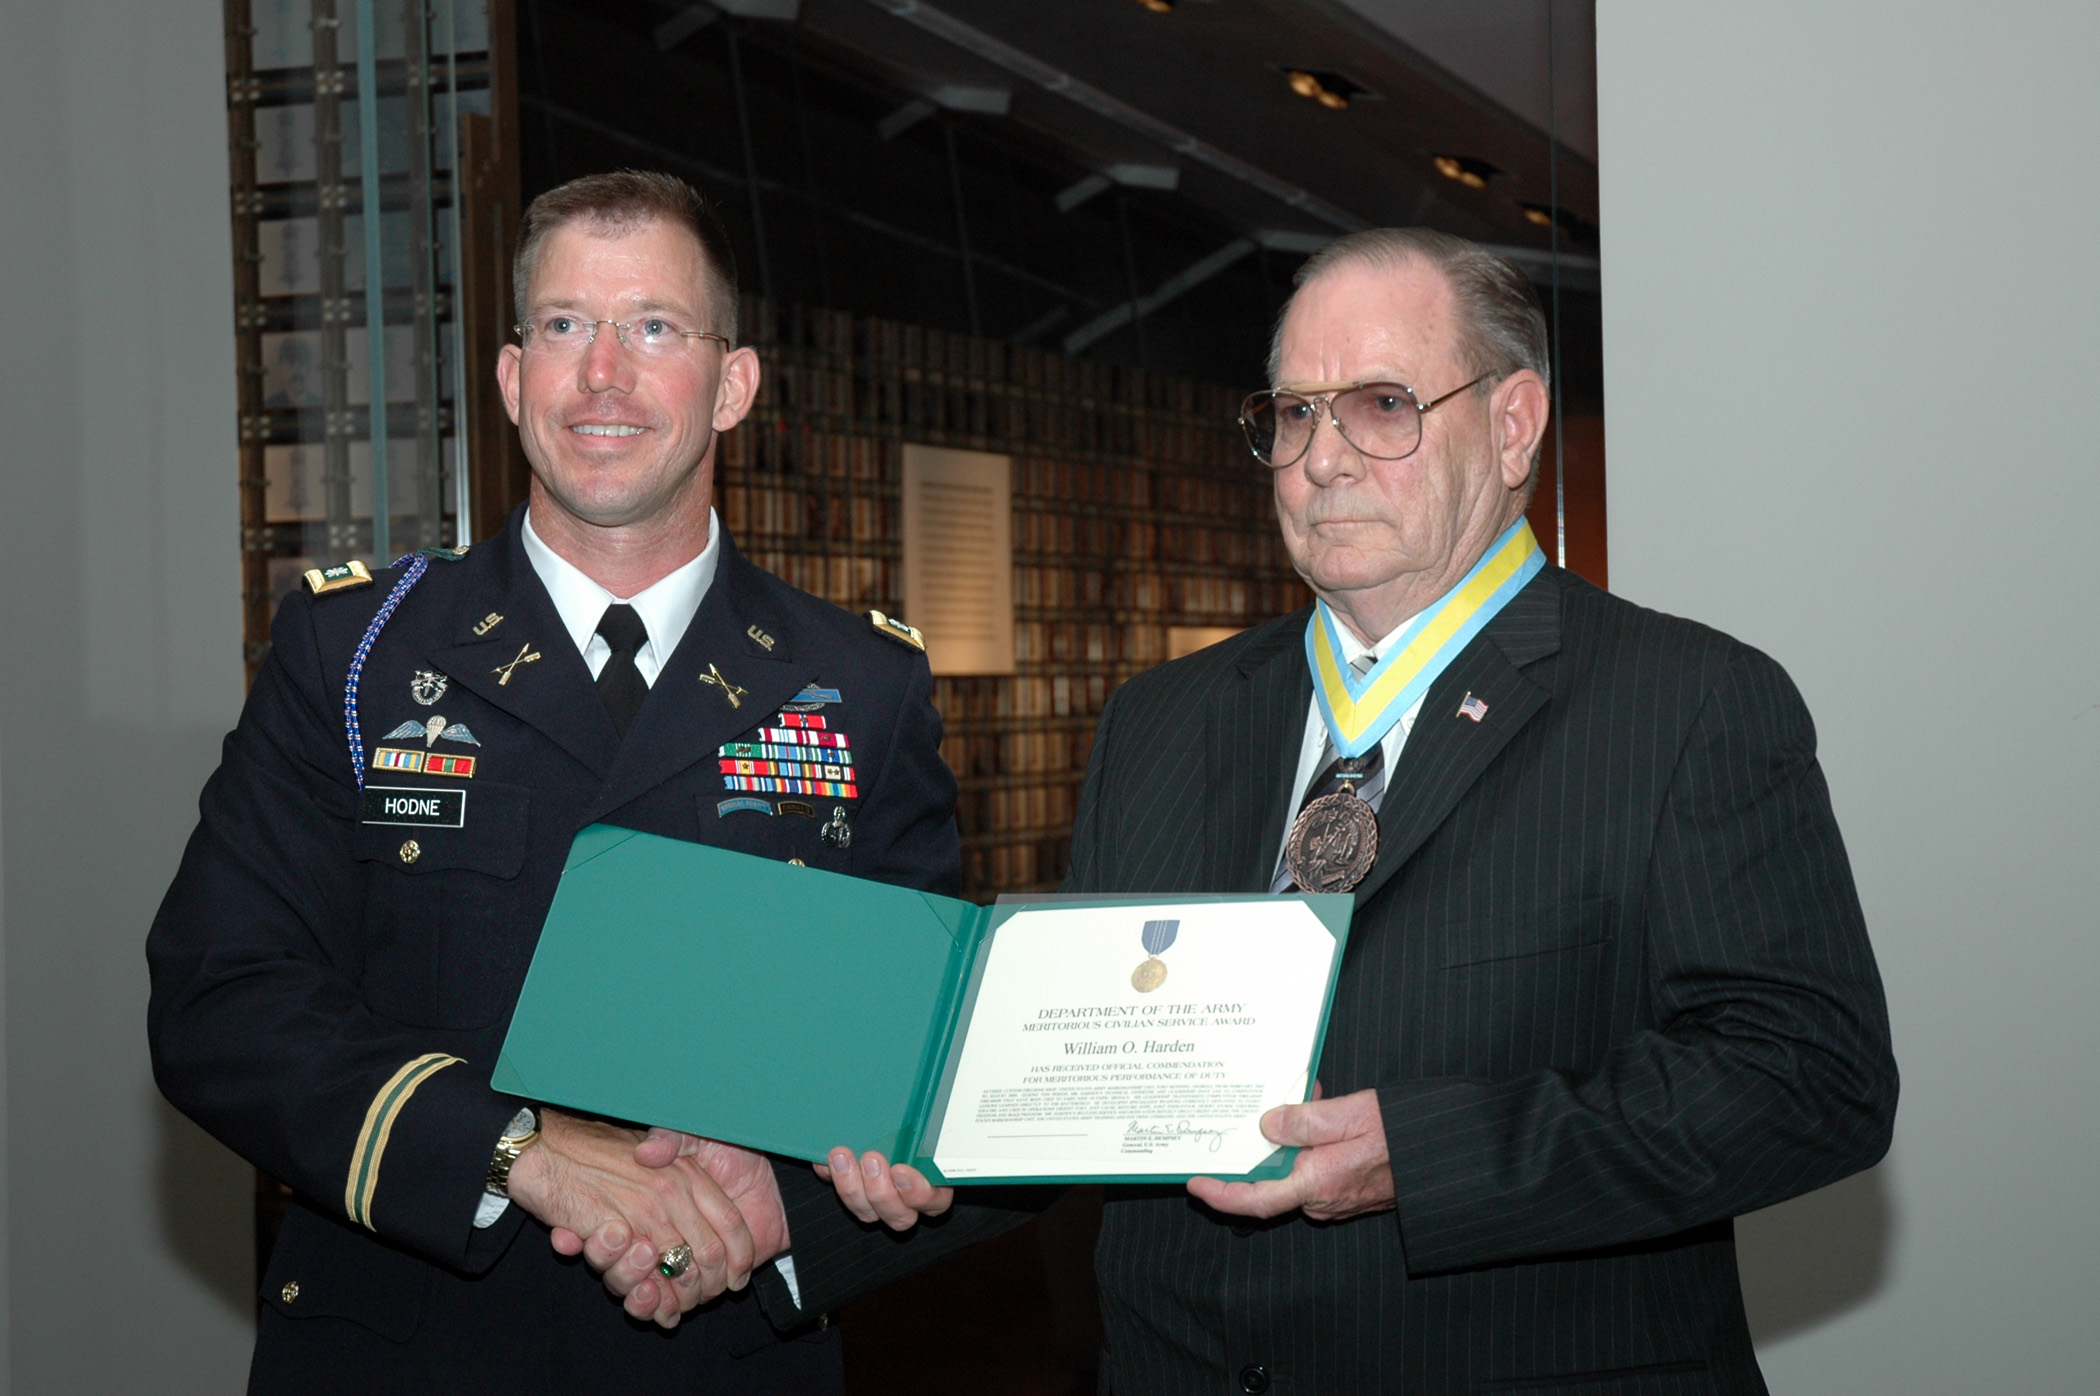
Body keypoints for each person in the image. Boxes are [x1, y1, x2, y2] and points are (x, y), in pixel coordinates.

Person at [147, 170, 1016, 1394]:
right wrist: (516, 1153)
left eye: (654, 327)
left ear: (732, 385)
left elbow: (906, 1063)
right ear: (512, 380)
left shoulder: (860, 685)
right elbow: (219, 997)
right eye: (563, 326)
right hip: (405, 1351)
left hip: (724, 1357)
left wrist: (781, 1207)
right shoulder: (356, 655)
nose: (602, 374)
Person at [1053, 230, 1899, 1392]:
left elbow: (1810, 1081)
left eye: (1382, 404)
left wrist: (1429, 1157)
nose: (1324, 460)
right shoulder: (1157, 721)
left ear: (1512, 426)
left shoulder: (1686, 704)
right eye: (1292, 414)